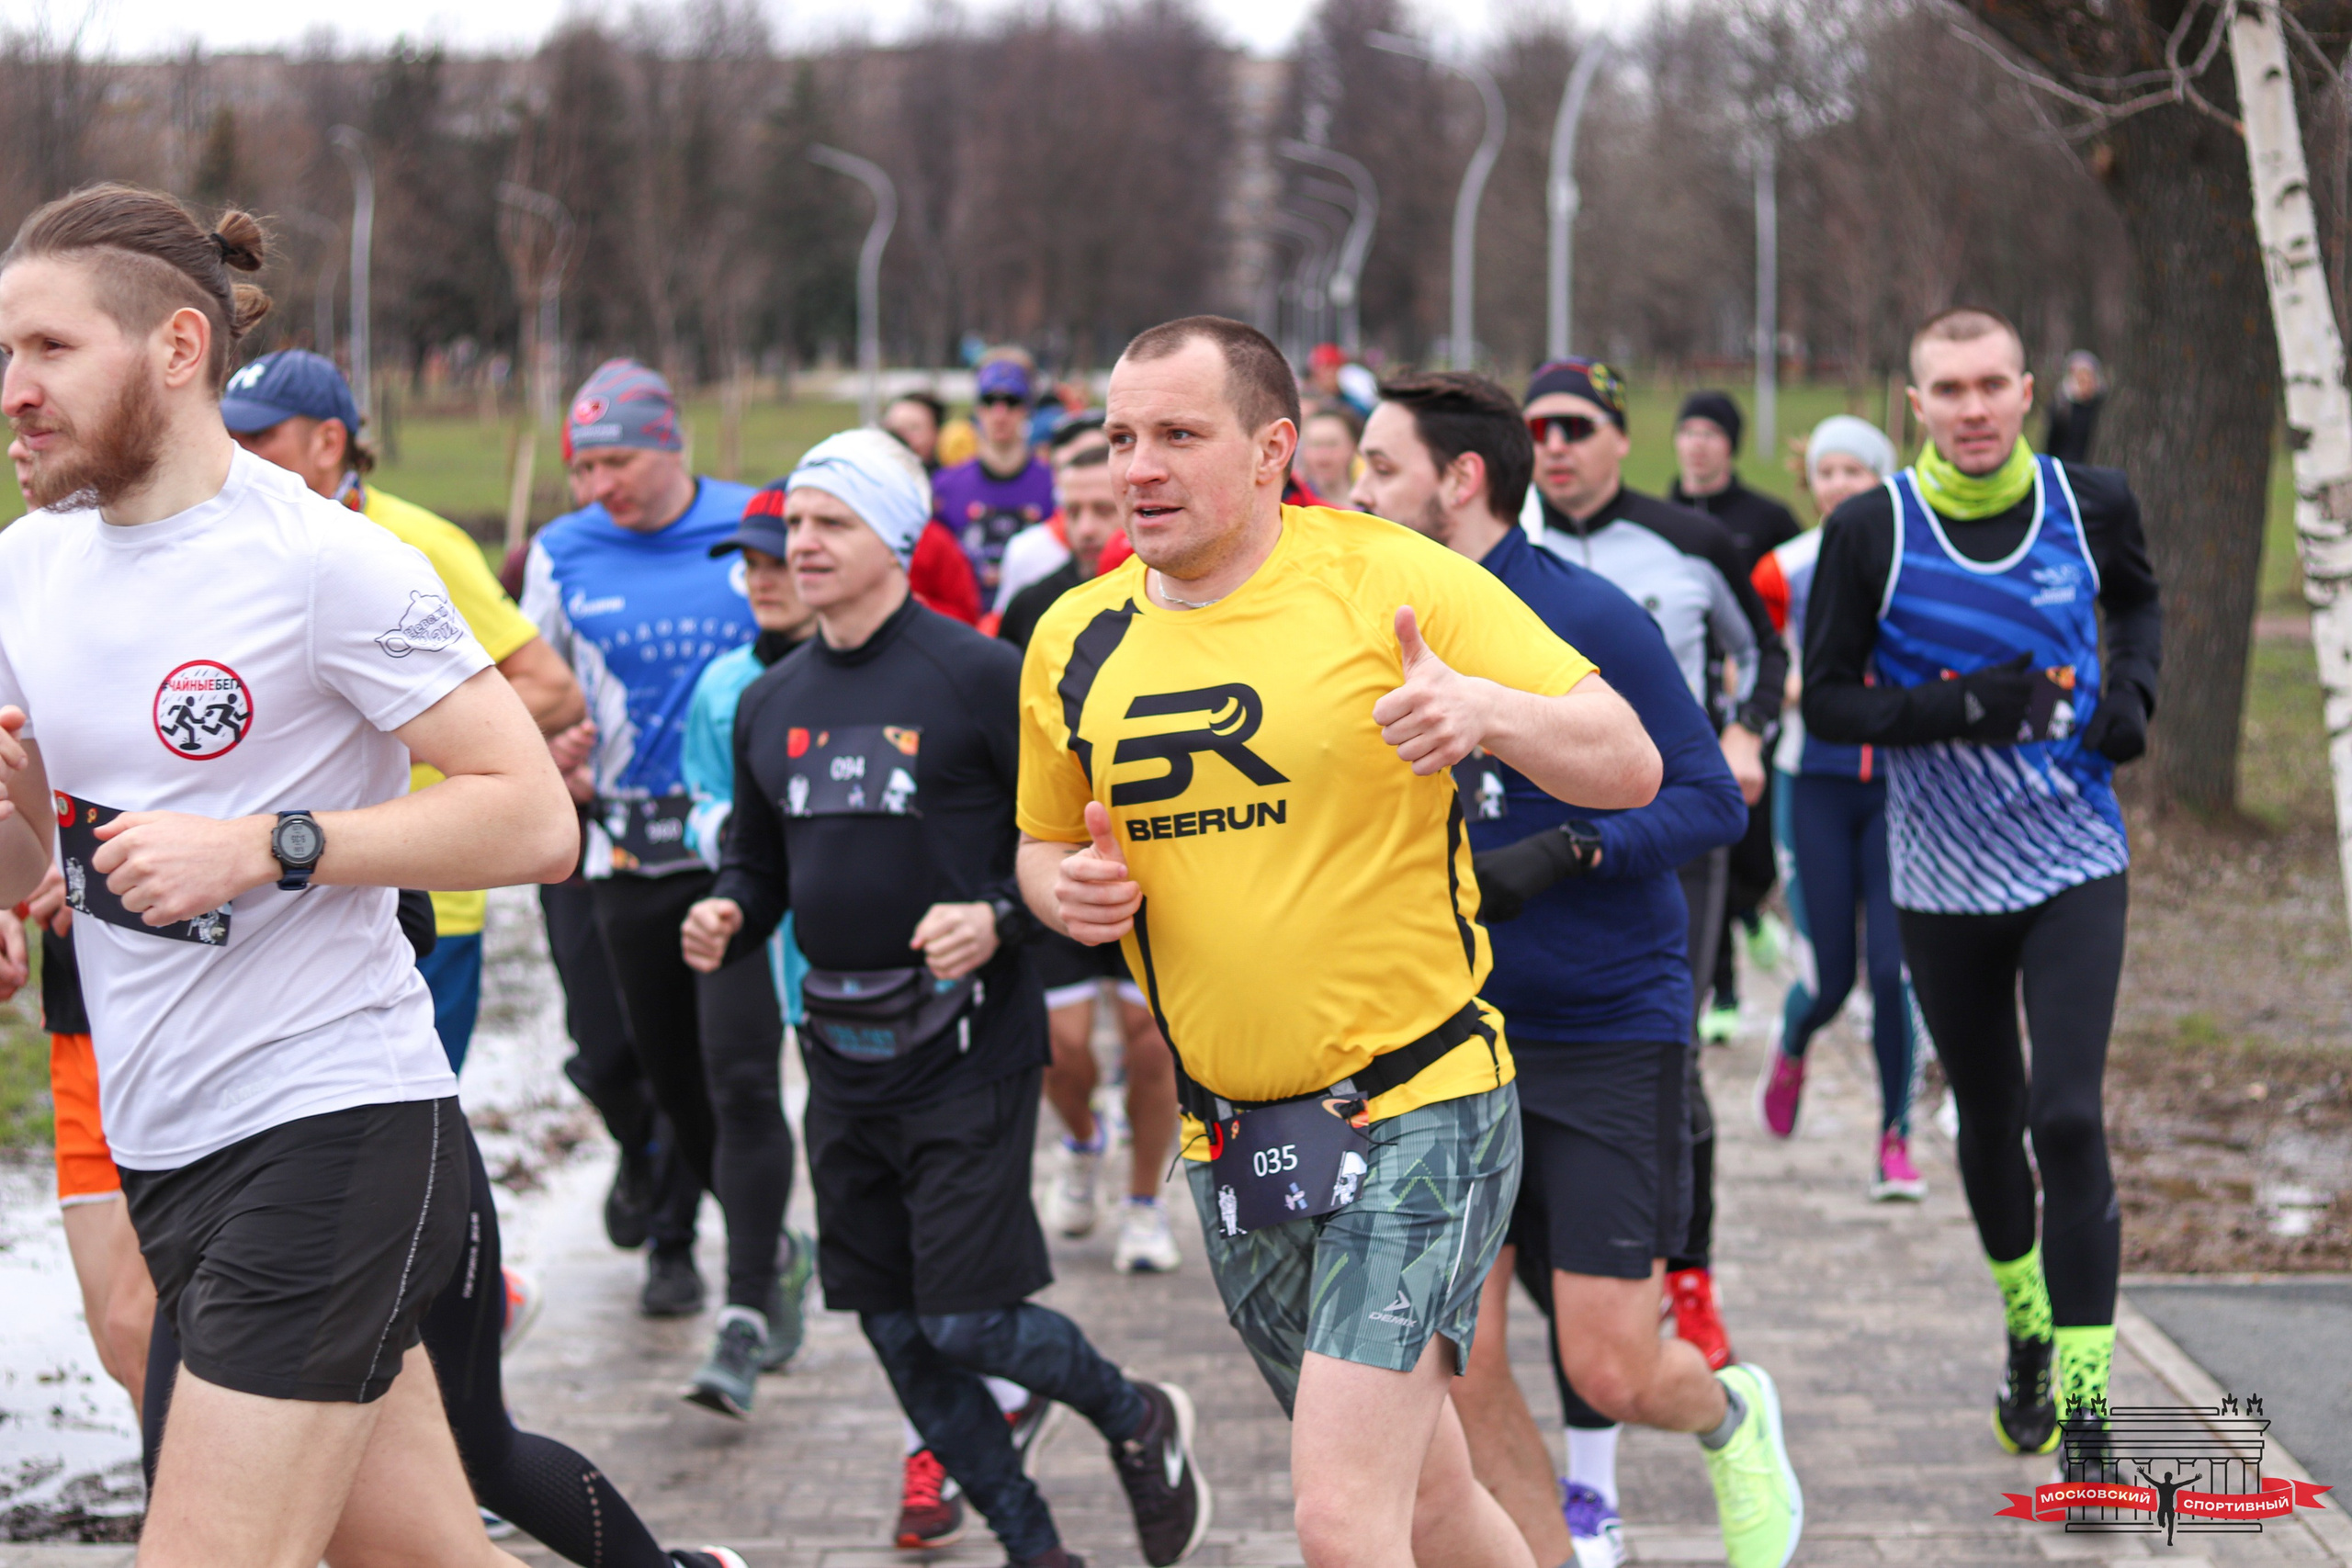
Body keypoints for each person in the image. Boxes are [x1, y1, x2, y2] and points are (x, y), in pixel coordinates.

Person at [1017, 316, 1661, 1568]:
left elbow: (1629, 760)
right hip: (1236, 1133)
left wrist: (1487, 712)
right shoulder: (1072, 637)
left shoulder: (1385, 577)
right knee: (1426, 1494)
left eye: (1177, 436)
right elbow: (1041, 844)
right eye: (1120, 437)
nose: (1138, 466)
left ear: (1269, 451)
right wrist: (1063, 893)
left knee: (1336, 1514)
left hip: (1419, 1099)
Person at [0, 182, 577, 1567]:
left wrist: (271, 841)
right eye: (4, 356)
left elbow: (531, 816)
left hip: (335, 1126)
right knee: (432, 1557)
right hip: (168, 1144)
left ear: (180, 347)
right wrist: (18, 816)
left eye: (50, 351)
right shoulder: (29, 568)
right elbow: (41, 864)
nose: (13, 391)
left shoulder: (325, 562)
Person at [680, 429, 1205, 1568]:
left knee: (967, 1318)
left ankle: (1134, 1413)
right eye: (791, 528)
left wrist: (1000, 917)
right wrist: (729, 909)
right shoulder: (772, 700)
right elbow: (761, 865)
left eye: (829, 525)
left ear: (898, 541)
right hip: (839, 1052)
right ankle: (1034, 1544)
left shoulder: (978, 677)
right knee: (889, 1322)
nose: (798, 546)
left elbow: (1059, 840)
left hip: (970, 1050)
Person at [1351, 372, 1797, 1568]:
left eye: (1380, 468)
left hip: (1602, 1020)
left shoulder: (1585, 616)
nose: (1354, 492)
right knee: (1463, 1357)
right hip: (1446, 1036)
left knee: (1609, 1360)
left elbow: (1707, 797)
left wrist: (1570, 847)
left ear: (1460, 479)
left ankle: (1731, 1409)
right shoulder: (1355, 626)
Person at [1803, 307, 2160, 1458]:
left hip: (2071, 856)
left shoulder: (2089, 502)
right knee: (1991, 1117)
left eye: (1990, 385)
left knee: (2065, 1117)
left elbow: (2138, 604)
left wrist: (2131, 702)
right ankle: (2026, 1333)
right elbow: (1827, 700)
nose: (1970, 408)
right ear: (1917, 405)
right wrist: (1963, 706)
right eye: (1946, 390)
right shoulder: (1872, 530)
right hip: (1942, 876)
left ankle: (2095, 1420)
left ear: (2023, 391)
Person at [521, 361, 812, 1385]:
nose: (601, 485)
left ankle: (710, 1253)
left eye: (617, 462)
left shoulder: (753, 526)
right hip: (607, 845)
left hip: (736, 845)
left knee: (730, 1068)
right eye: (583, 466)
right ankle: (656, 1172)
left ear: (672, 444)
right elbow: (531, 686)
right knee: (612, 1057)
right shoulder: (562, 550)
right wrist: (546, 747)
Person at [1522, 357, 1788, 1371]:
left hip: (1668, 827)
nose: (1556, 447)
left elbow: (1765, 650)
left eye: (1576, 428)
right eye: (1540, 429)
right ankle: (1568, 1277)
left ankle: (1689, 1278)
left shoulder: (1692, 543)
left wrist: (1748, 734)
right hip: (1540, 840)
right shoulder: (1509, 551)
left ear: (1620, 438)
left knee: (1664, 1064)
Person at [217, 347, 587, 1071]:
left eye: (259, 437)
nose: (237, 455)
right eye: (227, 434)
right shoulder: (237, 550)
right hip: (282, 895)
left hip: (423, 895)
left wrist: (395, 741)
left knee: (405, 1139)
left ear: (330, 441)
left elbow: (553, 688)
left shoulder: (415, 544)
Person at [660, 479, 831, 1419]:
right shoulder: (725, 685)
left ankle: (838, 1269)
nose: (766, 581)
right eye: (751, 566)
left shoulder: (865, 679)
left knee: (835, 1107)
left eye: (780, 562)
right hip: (744, 917)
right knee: (739, 1095)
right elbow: (697, 795)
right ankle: (745, 1309)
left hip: (846, 932)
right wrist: (733, 843)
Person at [1000, 444, 1182, 1274]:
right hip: (1066, 860)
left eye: (1096, 512)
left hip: (1164, 871)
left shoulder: (1183, 600)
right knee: (1059, 1048)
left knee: (1150, 1042)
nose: (1083, 528)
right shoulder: (1037, 609)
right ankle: (1080, 1139)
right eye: (1068, 510)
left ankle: (1146, 1203)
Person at [1749, 417, 1927, 1201]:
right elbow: (1754, 668)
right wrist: (1816, 693)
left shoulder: (1915, 560)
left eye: (1857, 471)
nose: (1840, 485)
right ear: (1810, 483)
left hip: (1899, 788)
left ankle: (1896, 1138)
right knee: (1827, 980)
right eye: (1827, 471)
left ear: (1882, 479)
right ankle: (1792, 1041)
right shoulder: (1782, 570)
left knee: (1892, 974)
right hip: (1812, 780)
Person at [1668, 389, 1801, 1041]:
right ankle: (1720, 990)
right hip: (1687, 702)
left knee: (1751, 845)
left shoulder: (1767, 517)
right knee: (1702, 842)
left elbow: (1793, 602)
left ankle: (1749, 907)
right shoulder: (1656, 513)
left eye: (1710, 432)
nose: (1697, 443)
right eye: (1687, 430)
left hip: (1753, 693)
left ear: (1730, 443)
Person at [933, 355, 1057, 601]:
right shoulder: (945, 486)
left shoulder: (1054, 485)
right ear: (978, 409)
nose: (1000, 414)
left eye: (1011, 402)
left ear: (1027, 409)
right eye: (990, 401)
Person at [993, 412, 1112, 617]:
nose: (1086, 529)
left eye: (1103, 510)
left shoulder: (1164, 589)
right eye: (1073, 512)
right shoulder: (1032, 600)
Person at [2043, 351, 2105, 465]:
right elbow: (2051, 443)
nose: (2085, 384)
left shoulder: (2100, 407)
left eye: (2088, 379)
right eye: (2080, 379)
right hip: (2066, 466)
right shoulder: (2062, 407)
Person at [1296, 400, 1362, 508]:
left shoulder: (1369, 501)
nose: (1324, 453)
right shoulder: (1293, 502)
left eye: (1332, 444)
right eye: (1316, 444)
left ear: (1353, 447)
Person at [885, 391, 947, 469]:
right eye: (894, 428)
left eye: (913, 428)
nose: (900, 436)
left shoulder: (945, 477)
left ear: (937, 432)